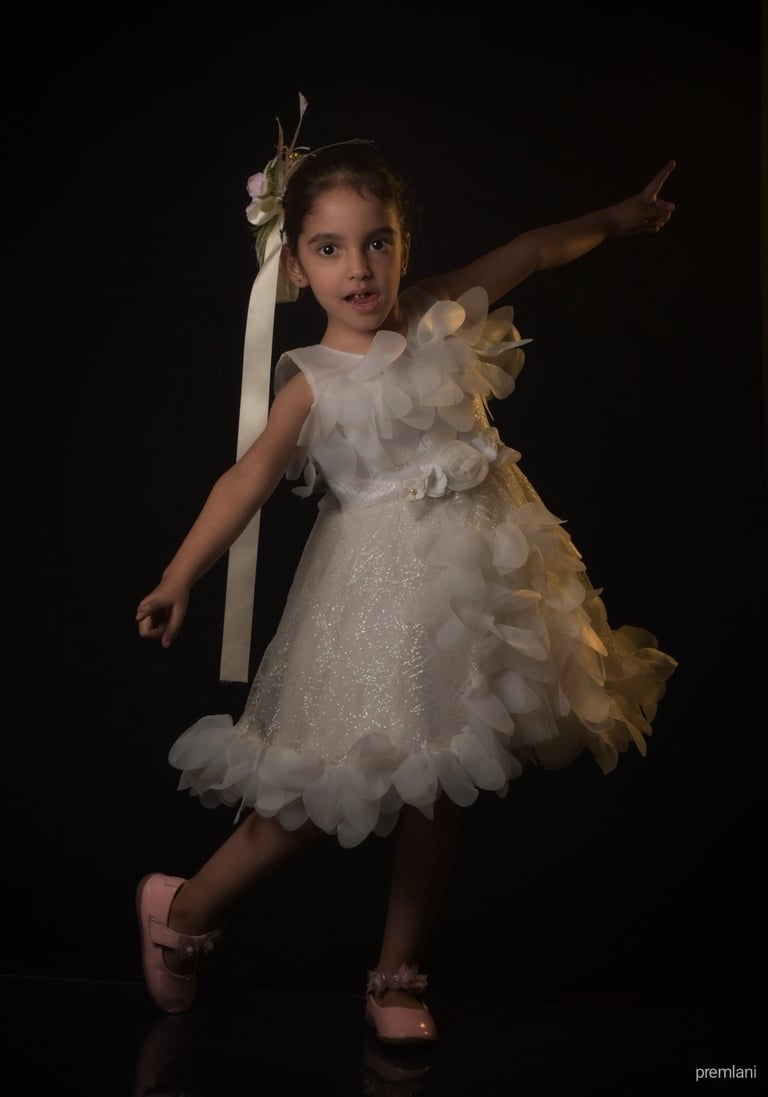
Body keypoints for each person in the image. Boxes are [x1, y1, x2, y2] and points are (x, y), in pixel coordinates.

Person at [135, 99, 678, 1045]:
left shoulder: (434, 311)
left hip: (473, 591)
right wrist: (180, 574)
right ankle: (181, 911)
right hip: (367, 598)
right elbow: (247, 478)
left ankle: (396, 974)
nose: (361, 269)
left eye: (377, 242)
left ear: (404, 240)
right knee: (312, 792)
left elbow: (534, 250)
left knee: (442, 783)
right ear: (297, 266)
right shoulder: (314, 380)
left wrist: (618, 219)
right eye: (333, 250)